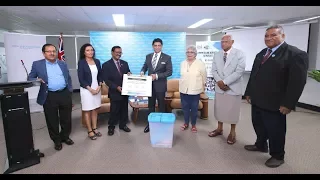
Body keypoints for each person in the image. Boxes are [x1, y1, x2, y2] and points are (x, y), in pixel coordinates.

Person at [244, 25, 308, 168]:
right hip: (258, 99)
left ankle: (278, 155)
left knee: (275, 129)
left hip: (275, 102)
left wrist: (288, 103)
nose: (269, 38)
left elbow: (297, 82)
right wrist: (248, 92)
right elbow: (254, 75)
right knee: (258, 124)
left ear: (283, 36)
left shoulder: (295, 54)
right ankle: (261, 145)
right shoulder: (262, 53)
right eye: (266, 36)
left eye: (273, 35)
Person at [28, 44, 74, 151]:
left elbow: (68, 78)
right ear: (44, 53)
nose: (52, 53)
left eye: (53, 51)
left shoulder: (62, 63)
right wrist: (37, 79)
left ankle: (65, 136)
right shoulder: (37, 64)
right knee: (52, 119)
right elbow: (30, 77)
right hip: (49, 95)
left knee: (66, 118)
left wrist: (70, 90)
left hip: (64, 94)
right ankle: (56, 140)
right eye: (49, 51)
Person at [208, 34, 246, 145]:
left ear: (232, 42)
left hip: (233, 87)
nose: (223, 43)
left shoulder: (239, 54)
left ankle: (232, 133)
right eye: (222, 41)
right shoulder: (217, 54)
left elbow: (239, 71)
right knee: (220, 109)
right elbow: (214, 70)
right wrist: (219, 82)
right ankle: (219, 129)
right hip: (220, 88)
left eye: (226, 41)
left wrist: (224, 82)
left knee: (232, 111)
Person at [140, 38, 173, 133]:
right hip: (149, 85)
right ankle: (150, 124)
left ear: (161, 46)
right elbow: (145, 66)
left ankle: (161, 124)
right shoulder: (148, 56)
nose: (157, 47)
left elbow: (169, 72)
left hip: (160, 85)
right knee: (151, 106)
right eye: (155, 45)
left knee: (161, 106)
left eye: (159, 45)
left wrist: (157, 76)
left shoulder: (167, 57)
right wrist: (142, 71)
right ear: (153, 46)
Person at [102, 46, 131, 136]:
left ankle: (123, 125)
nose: (118, 54)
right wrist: (116, 87)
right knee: (114, 110)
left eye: (120, 52)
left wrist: (130, 74)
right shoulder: (106, 65)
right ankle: (111, 127)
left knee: (124, 109)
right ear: (112, 52)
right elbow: (106, 80)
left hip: (125, 91)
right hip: (114, 91)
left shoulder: (125, 63)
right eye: (117, 52)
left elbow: (128, 73)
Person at [77, 43, 103, 140]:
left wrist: (100, 85)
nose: (90, 52)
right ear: (84, 52)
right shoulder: (81, 62)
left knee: (95, 109)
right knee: (87, 110)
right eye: (88, 50)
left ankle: (95, 128)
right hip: (86, 89)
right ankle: (89, 130)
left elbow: (100, 74)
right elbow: (81, 78)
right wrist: (90, 89)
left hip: (97, 88)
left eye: (92, 50)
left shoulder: (97, 61)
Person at [179, 45, 207, 133]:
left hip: (195, 90)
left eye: (191, 52)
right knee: (185, 108)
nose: (189, 54)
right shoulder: (183, 63)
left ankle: (194, 125)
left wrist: (203, 87)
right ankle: (186, 123)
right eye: (187, 52)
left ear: (195, 54)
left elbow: (204, 76)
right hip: (184, 90)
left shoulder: (200, 63)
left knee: (194, 109)